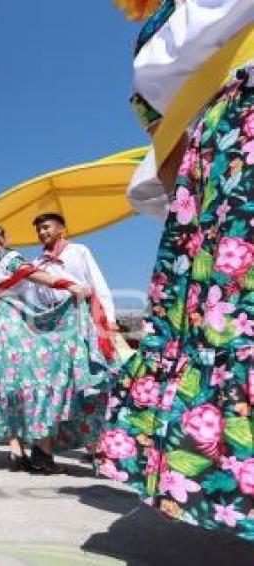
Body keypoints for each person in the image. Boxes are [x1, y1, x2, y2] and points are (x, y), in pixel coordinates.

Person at [97, 0, 254, 540]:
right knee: (224, 313)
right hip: (216, 155)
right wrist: (184, 184)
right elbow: (165, 126)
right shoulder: (153, 32)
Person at [0, 223, 107, 473]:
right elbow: (34, 275)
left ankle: (16, 451)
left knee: (4, 385)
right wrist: (67, 285)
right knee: (37, 376)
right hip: (9, 322)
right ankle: (43, 450)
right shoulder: (8, 257)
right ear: (2, 237)